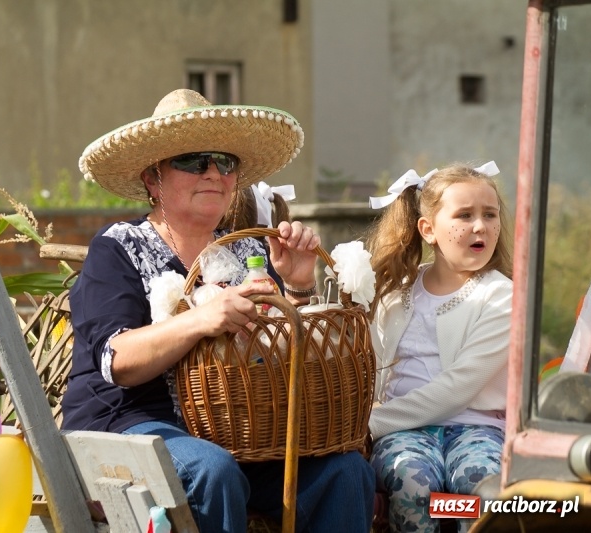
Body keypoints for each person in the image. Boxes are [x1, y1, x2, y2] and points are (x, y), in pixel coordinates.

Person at [61, 88, 375, 533]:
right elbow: (119, 362)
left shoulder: (247, 249)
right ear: (154, 178)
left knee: (346, 472)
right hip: (126, 431)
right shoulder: (117, 249)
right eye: (193, 160)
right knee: (213, 470)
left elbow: (279, 356)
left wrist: (300, 286)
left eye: (224, 162)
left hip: (235, 436)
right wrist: (200, 319)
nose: (213, 173)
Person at [365, 162, 514, 533]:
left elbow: (459, 387)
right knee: (412, 481)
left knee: (480, 482)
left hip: (477, 428)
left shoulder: (503, 296)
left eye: (489, 215)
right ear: (428, 229)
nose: (480, 226)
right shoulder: (395, 290)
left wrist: (370, 424)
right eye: (464, 215)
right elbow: (369, 363)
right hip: (404, 433)